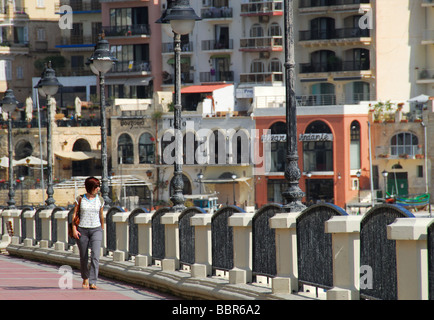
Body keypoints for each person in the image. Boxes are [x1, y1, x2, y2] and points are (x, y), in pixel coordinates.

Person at [71, 176, 104, 290]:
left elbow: (101, 214)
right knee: (84, 256)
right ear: (90, 187)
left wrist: (102, 228)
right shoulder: (80, 199)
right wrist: (74, 229)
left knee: (95, 255)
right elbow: (75, 215)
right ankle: (85, 277)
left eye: (98, 186)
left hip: (96, 229)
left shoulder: (100, 199)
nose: (98, 188)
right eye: (96, 186)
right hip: (82, 230)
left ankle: (93, 281)